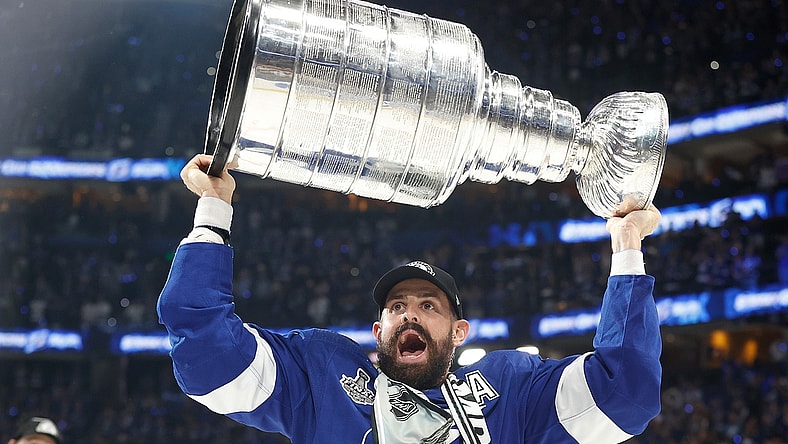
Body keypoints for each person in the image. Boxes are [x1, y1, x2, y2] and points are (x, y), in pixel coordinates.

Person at [158, 154, 663, 443]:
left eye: (429, 306)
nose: (410, 315)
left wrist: (627, 245)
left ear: (459, 333)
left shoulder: (512, 390)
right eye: (397, 307)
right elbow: (209, 359)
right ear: (378, 333)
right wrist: (213, 209)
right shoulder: (324, 377)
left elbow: (625, 395)